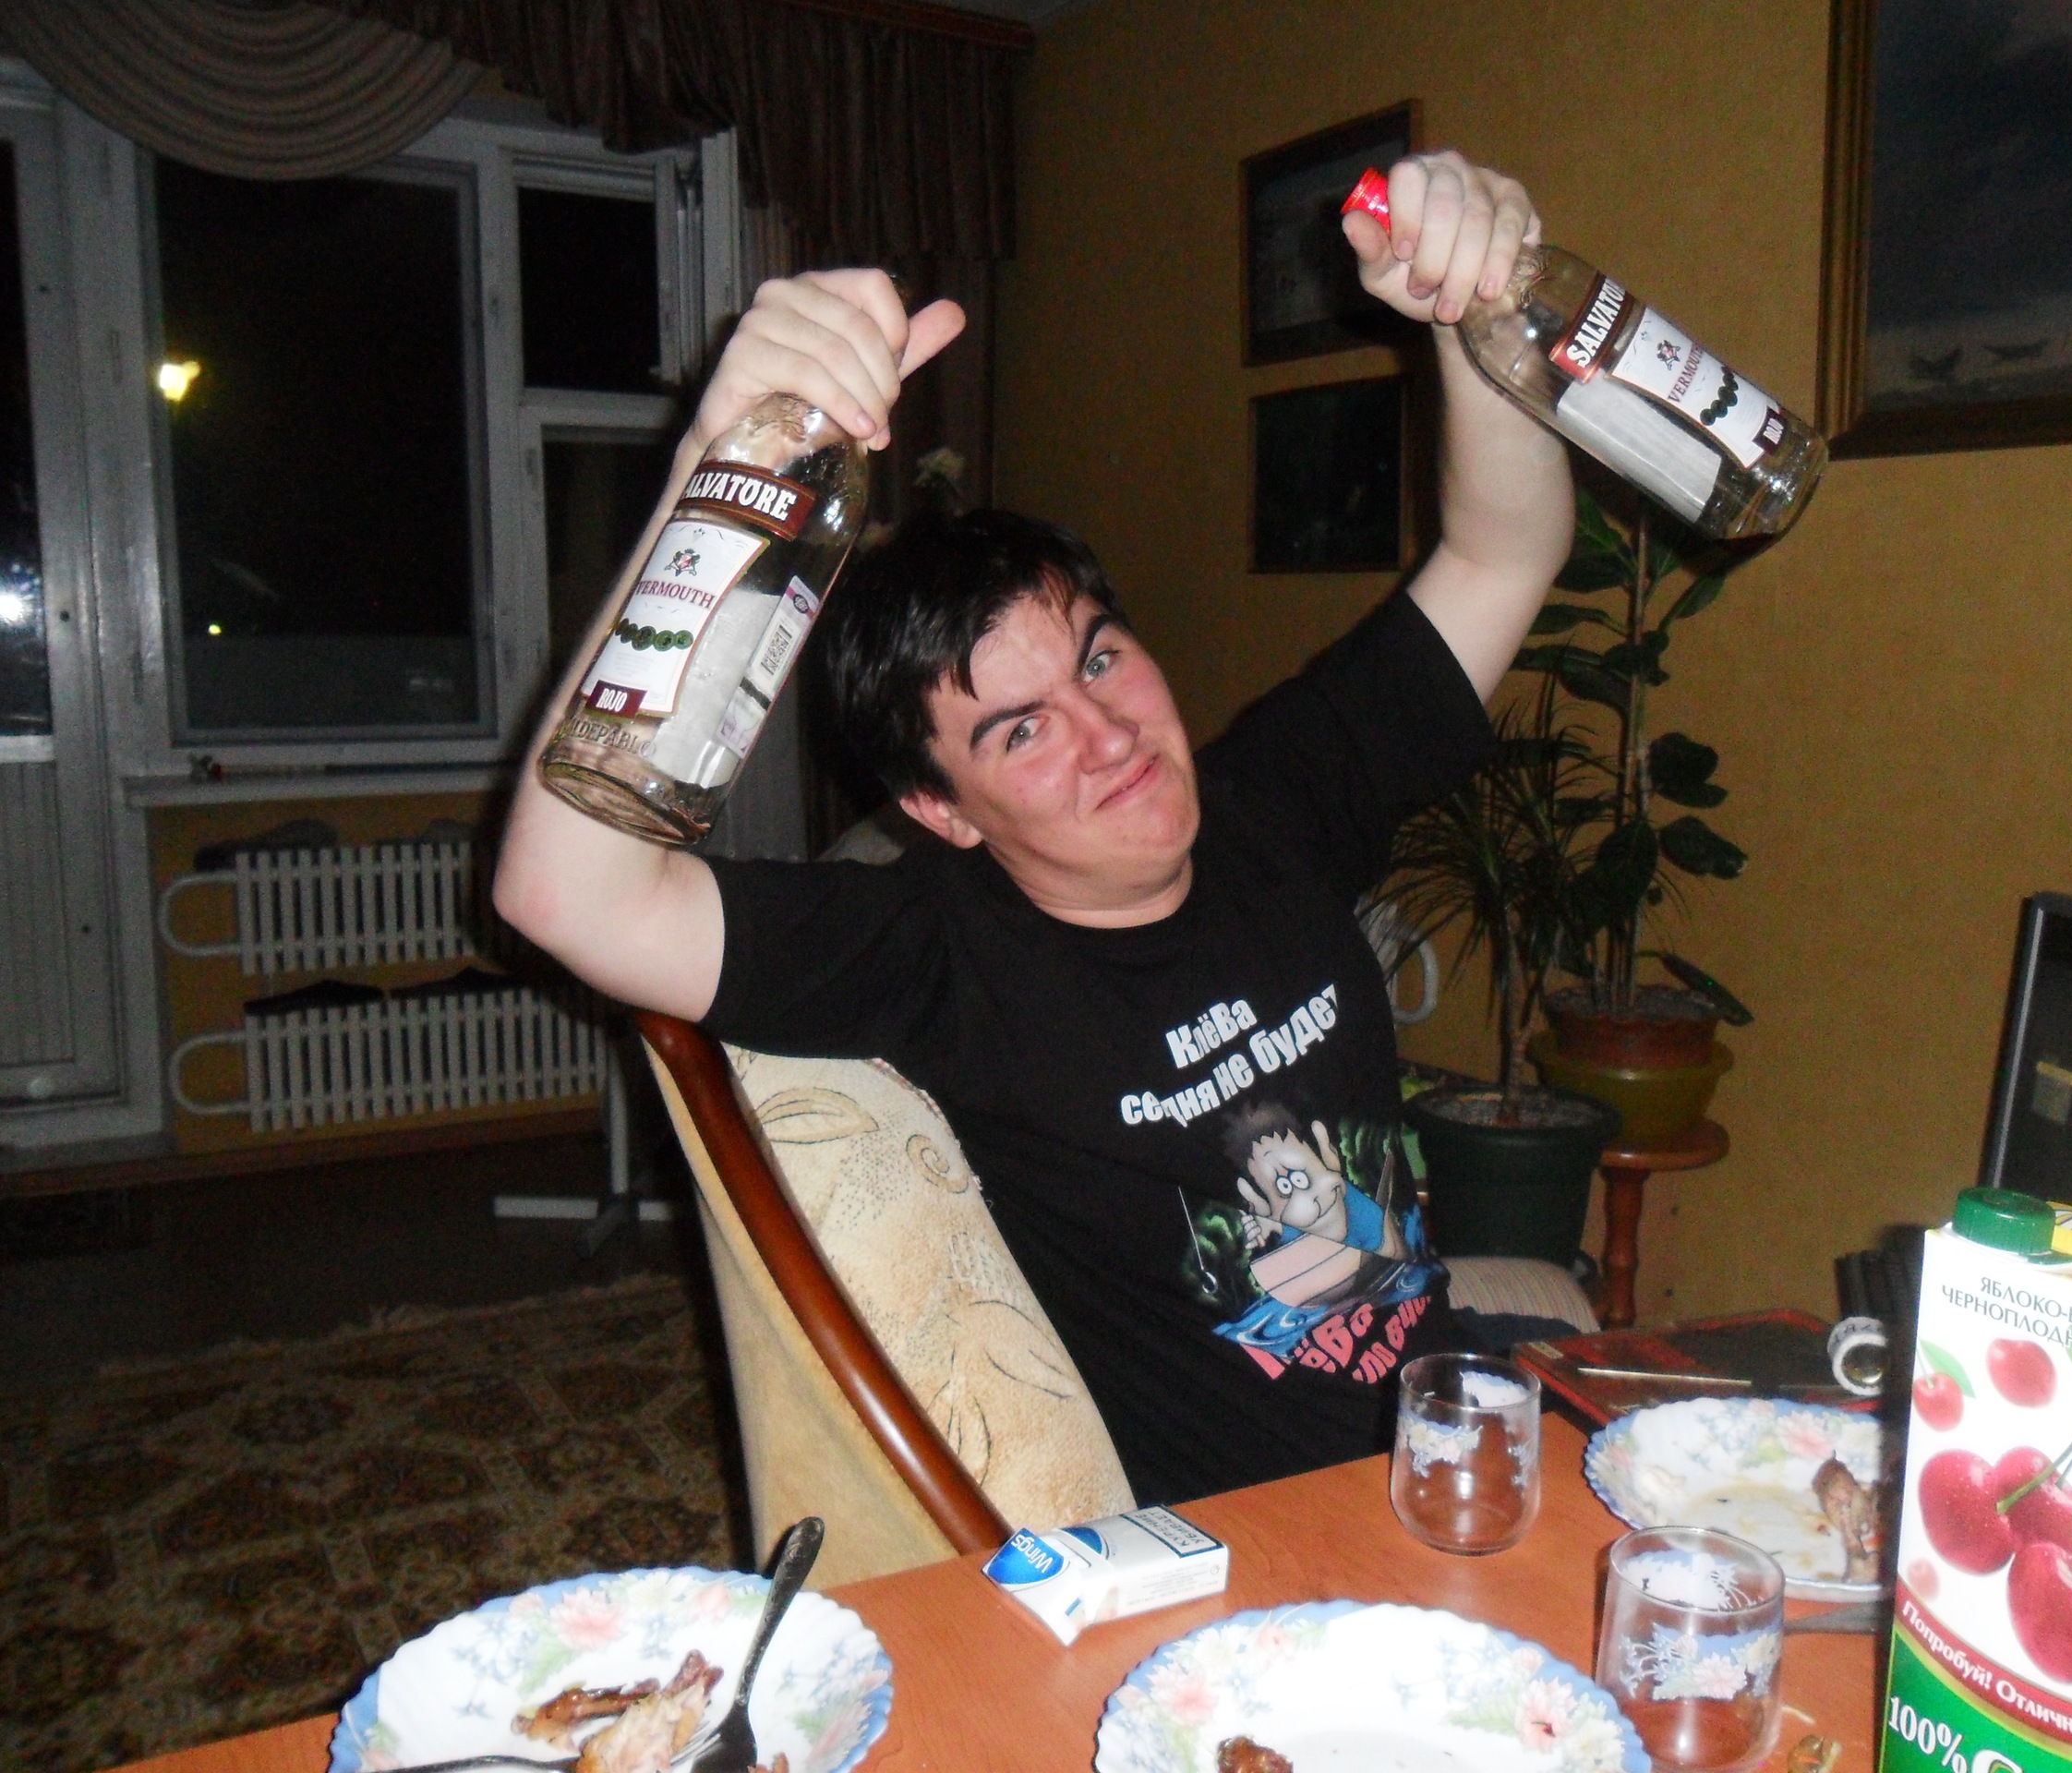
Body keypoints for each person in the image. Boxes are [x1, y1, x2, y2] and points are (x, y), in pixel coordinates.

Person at [494, 152, 1576, 1505]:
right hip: (1272, 1550)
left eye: (1100, 659)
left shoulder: (1275, 799)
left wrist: (1476, 309)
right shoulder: (939, 955)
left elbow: (1501, 552)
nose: (1108, 734)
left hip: (1458, 1434)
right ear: (938, 809)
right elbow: (568, 891)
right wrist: (726, 479)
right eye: (1019, 731)